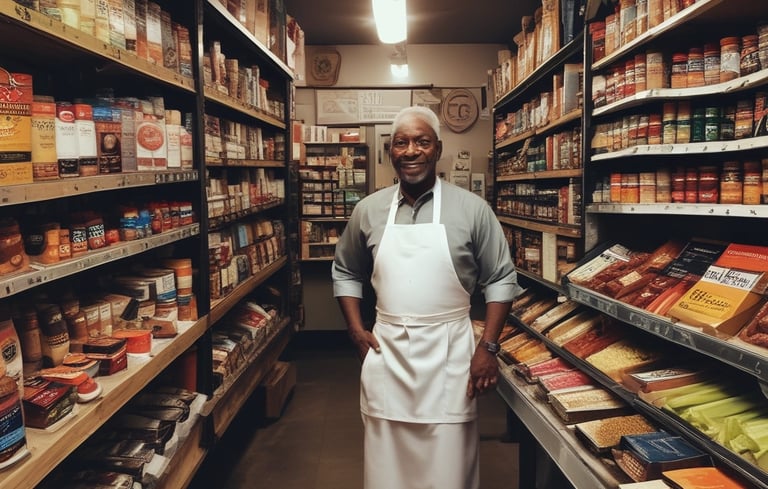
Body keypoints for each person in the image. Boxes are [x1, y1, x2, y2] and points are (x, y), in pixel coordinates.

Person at [331, 105, 522, 489]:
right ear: (390, 151)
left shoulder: (472, 210)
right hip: (389, 355)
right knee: (388, 468)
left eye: (422, 141)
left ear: (438, 148)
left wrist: (488, 348)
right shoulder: (368, 211)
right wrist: (355, 329)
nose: (411, 151)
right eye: (401, 142)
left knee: (447, 468)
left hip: (449, 354)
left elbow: (501, 279)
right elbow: (346, 271)